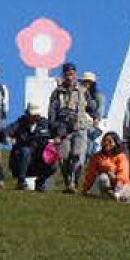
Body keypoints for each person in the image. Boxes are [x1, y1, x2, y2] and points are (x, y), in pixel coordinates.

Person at [48, 62, 91, 192]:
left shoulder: (83, 91)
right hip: (62, 129)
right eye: (67, 74)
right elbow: (52, 111)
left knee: (78, 155)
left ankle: (75, 181)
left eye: (72, 74)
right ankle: (69, 183)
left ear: (76, 74)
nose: (70, 77)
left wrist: (92, 118)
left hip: (80, 127)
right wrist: (54, 128)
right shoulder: (57, 92)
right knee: (64, 157)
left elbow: (92, 106)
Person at [4, 103, 56, 191]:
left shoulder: (46, 124)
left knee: (54, 160)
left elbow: (58, 131)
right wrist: (8, 138)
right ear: (27, 114)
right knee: (25, 151)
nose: (35, 117)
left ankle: (40, 182)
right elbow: (6, 131)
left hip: (39, 160)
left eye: (37, 115)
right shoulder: (20, 123)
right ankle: (21, 182)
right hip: (20, 161)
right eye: (33, 115)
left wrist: (58, 138)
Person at [80, 132, 130, 202]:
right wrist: (85, 189)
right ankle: (103, 194)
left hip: (120, 184)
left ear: (116, 143)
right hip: (103, 183)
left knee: (124, 191)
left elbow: (123, 174)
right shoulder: (97, 157)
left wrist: (115, 179)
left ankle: (117, 195)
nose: (106, 143)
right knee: (103, 177)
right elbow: (91, 174)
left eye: (110, 141)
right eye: (104, 141)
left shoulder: (122, 156)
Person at [81, 70, 105, 161]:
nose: (87, 84)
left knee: (90, 142)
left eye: (89, 82)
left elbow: (100, 109)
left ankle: (89, 161)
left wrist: (97, 119)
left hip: (92, 123)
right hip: (82, 121)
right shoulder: (80, 94)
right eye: (85, 82)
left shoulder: (98, 95)